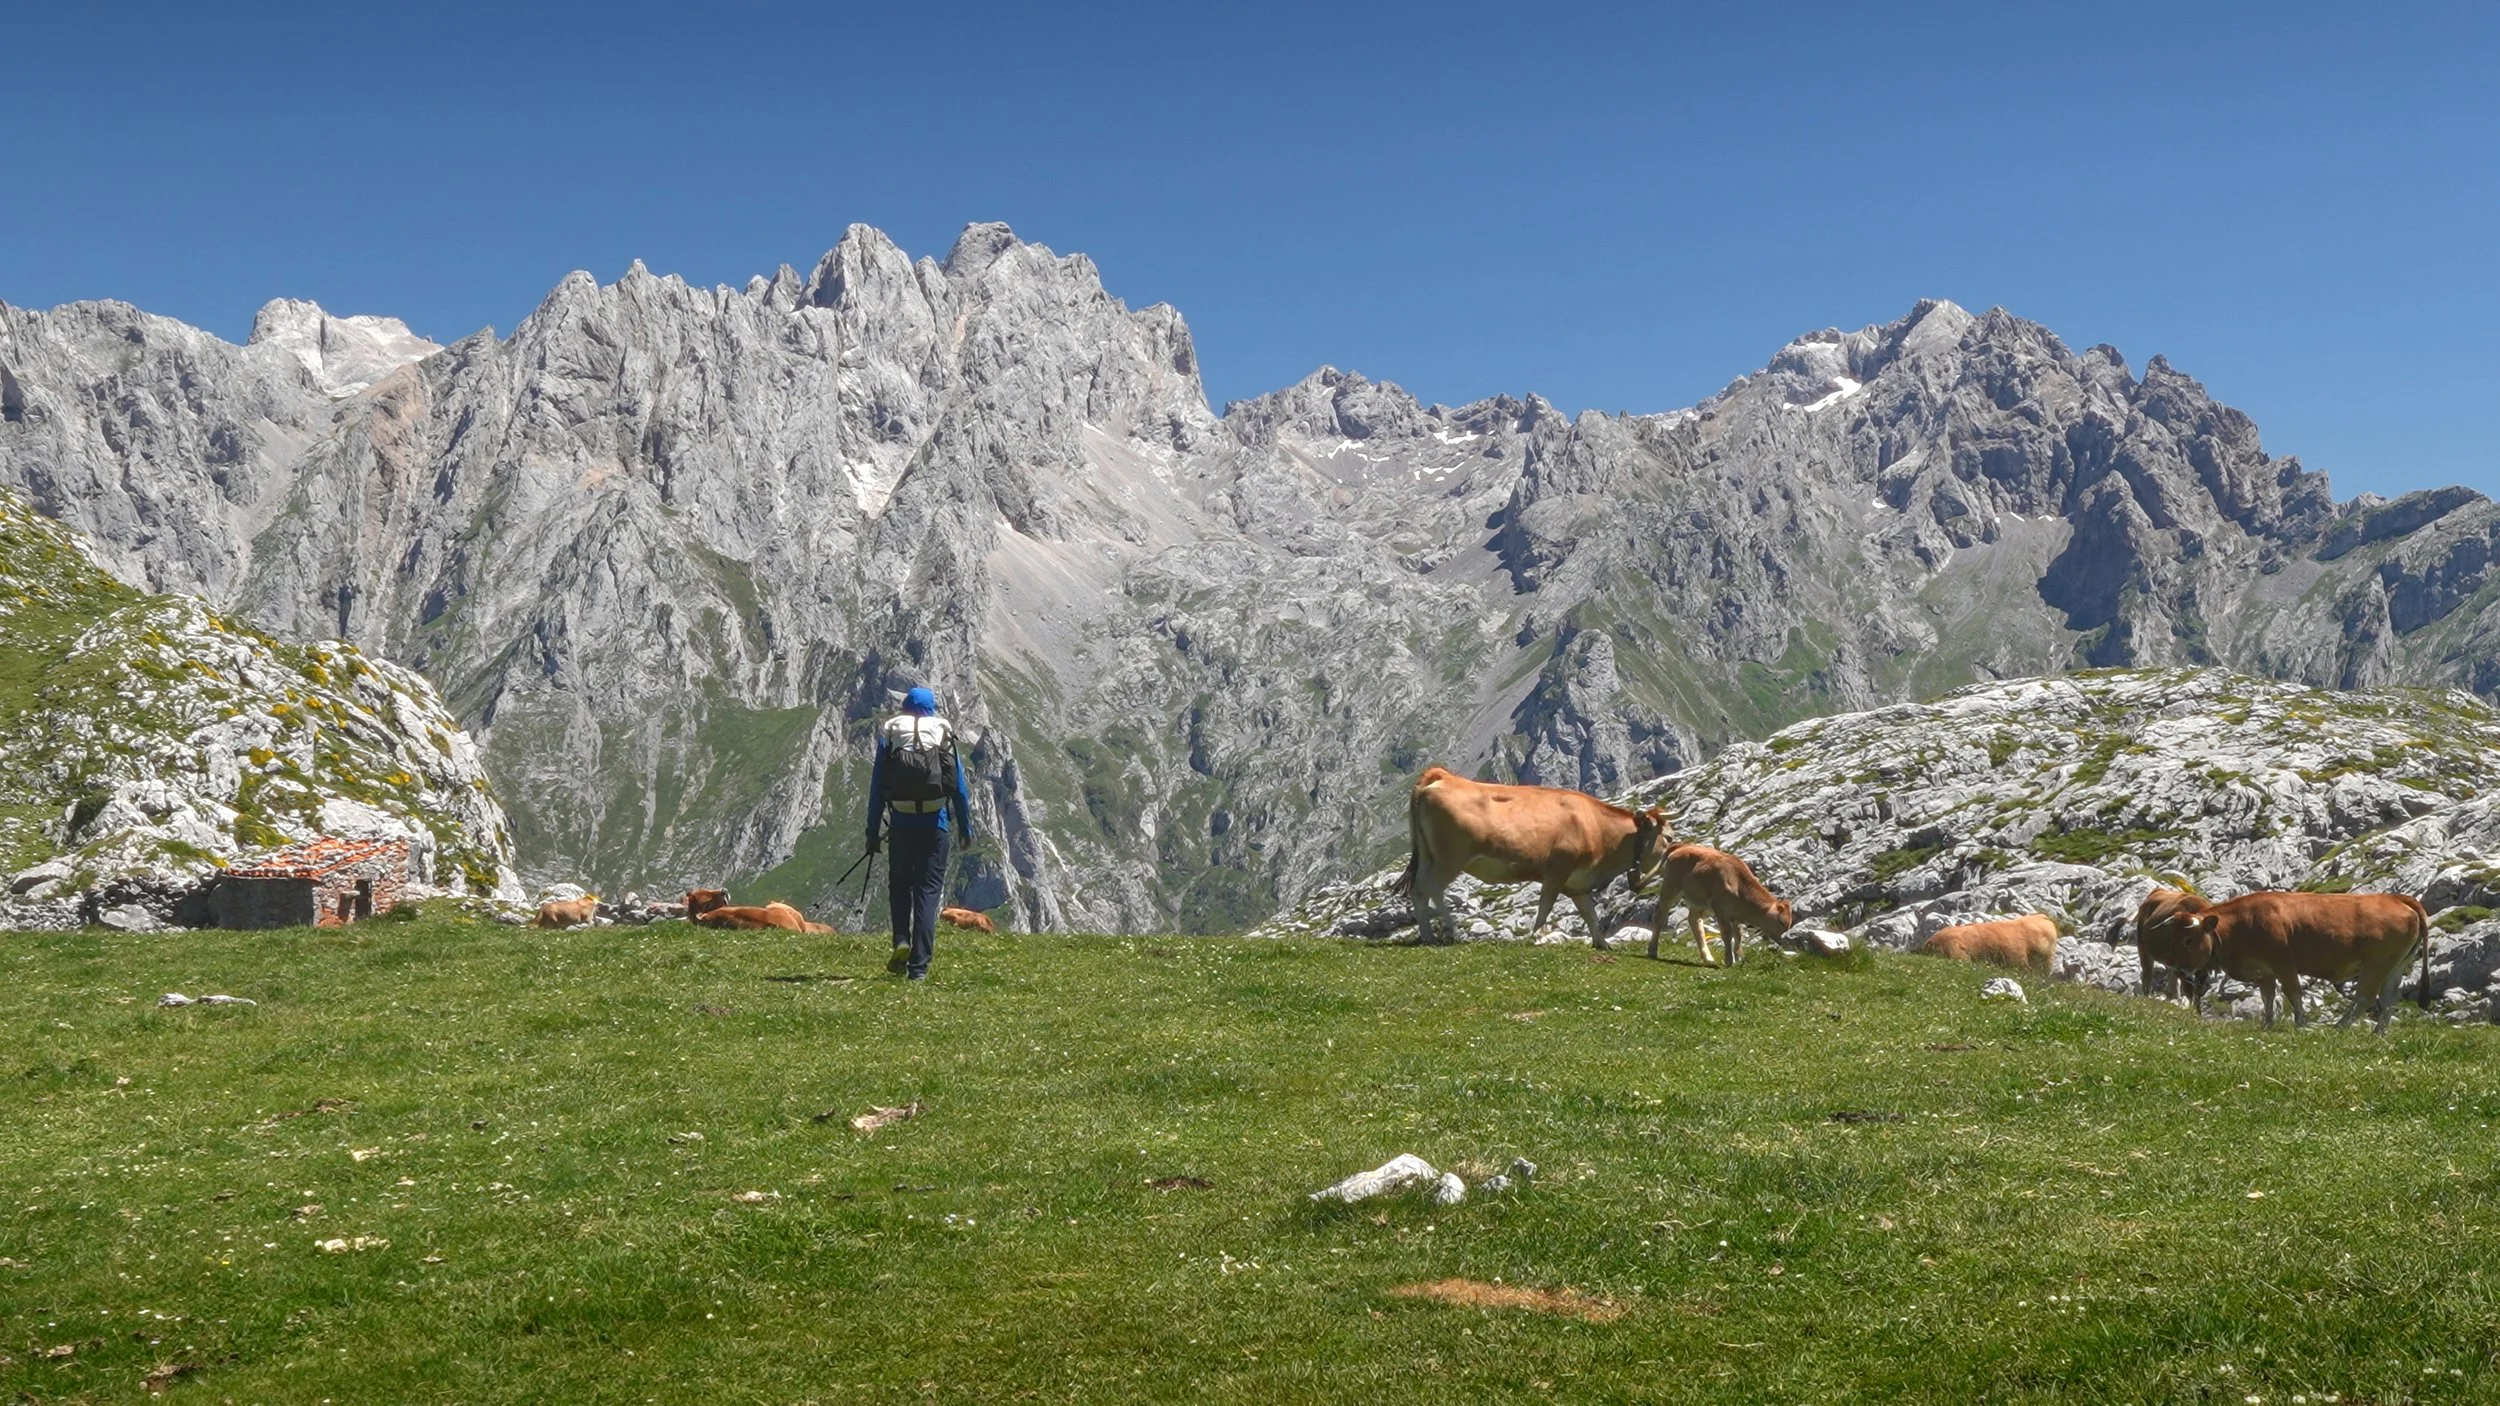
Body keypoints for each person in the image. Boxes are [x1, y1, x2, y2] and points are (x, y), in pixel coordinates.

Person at [865, 685, 973, 980]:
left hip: (901, 824)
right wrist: (965, 828)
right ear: (931, 708)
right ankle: (919, 968)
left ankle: (901, 939)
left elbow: (877, 788)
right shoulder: (941, 732)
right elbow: (959, 789)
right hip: (934, 825)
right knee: (927, 893)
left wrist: (872, 832)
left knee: (899, 886)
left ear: (906, 708)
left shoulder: (892, 733)